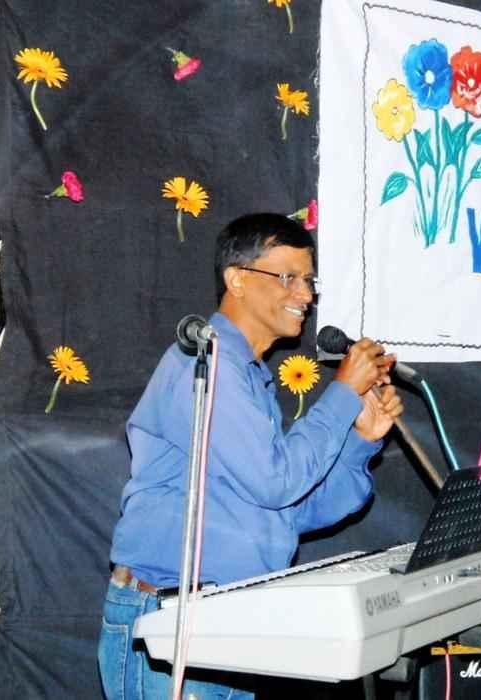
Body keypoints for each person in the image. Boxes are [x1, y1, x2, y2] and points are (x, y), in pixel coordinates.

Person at [98, 213, 403, 700]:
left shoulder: (248, 377)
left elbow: (293, 510)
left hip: (229, 622)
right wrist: (343, 392)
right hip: (173, 625)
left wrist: (360, 441)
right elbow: (276, 483)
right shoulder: (206, 365)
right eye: (287, 277)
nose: (305, 295)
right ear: (236, 279)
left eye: (309, 280)